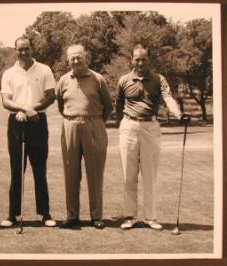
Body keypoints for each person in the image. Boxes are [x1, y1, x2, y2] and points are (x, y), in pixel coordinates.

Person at [116, 43, 189, 231]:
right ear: (132, 60)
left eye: (144, 59)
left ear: (149, 60)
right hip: (128, 126)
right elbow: (119, 106)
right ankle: (130, 216)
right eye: (137, 59)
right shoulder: (124, 80)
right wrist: (124, 125)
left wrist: (179, 114)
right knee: (128, 175)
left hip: (150, 127)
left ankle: (150, 217)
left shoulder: (158, 79)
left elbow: (168, 99)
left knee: (150, 174)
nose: (140, 62)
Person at [0, 36, 56, 227]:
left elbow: (51, 97)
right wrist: (23, 110)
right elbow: (6, 101)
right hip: (16, 123)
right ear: (15, 50)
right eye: (20, 49)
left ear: (32, 49)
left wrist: (31, 110)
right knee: (17, 170)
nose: (23, 52)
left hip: (38, 122)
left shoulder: (44, 69)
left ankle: (45, 213)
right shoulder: (9, 73)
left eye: (26, 49)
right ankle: (12, 214)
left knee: (40, 170)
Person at [57, 44, 113, 229]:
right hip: (70, 125)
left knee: (95, 173)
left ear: (86, 57)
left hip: (94, 124)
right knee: (70, 173)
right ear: (67, 60)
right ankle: (72, 215)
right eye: (72, 58)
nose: (75, 60)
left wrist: (95, 122)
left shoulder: (98, 79)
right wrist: (73, 119)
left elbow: (108, 106)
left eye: (78, 56)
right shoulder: (63, 80)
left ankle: (96, 216)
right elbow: (60, 105)